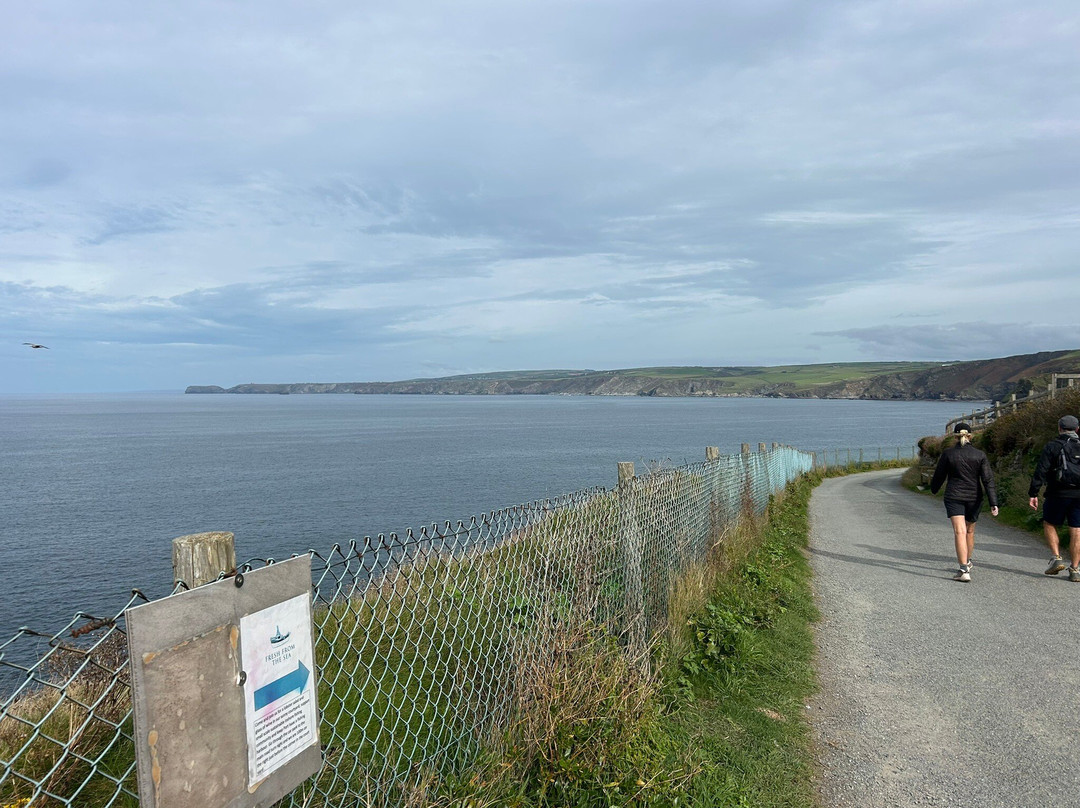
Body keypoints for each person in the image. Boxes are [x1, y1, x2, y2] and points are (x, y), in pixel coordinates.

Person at [930, 422, 999, 582]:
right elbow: (988, 479)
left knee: (959, 532)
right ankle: (967, 561)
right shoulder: (979, 455)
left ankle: (963, 570)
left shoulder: (948, 454)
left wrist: (933, 489)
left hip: (954, 496)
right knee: (969, 531)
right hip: (974, 497)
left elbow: (939, 475)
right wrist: (993, 502)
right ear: (970, 436)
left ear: (955, 437)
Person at [1028, 414, 1080, 581]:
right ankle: (1075, 569)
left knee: (1049, 523)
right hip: (1079, 495)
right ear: (1077, 429)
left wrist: (1033, 493)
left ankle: (1056, 557)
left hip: (1057, 493)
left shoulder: (1052, 446)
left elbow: (1041, 470)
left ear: (1059, 428)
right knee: (1076, 529)